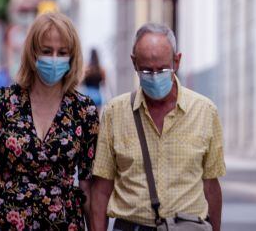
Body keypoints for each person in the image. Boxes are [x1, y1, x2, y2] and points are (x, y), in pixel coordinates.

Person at [0, 12, 100, 230]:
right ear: (33, 53)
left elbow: (88, 184)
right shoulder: (3, 103)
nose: (54, 59)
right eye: (47, 51)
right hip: (6, 222)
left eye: (62, 52)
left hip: (62, 224)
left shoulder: (84, 110)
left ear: (72, 56)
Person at [89, 23, 226, 231]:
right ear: (134, 63)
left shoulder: (205, 112)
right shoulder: (115, 113)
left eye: (162, 69)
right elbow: (101, 190)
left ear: (176, 61)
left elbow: (211, 186)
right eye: (146, 70)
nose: (154, 76)